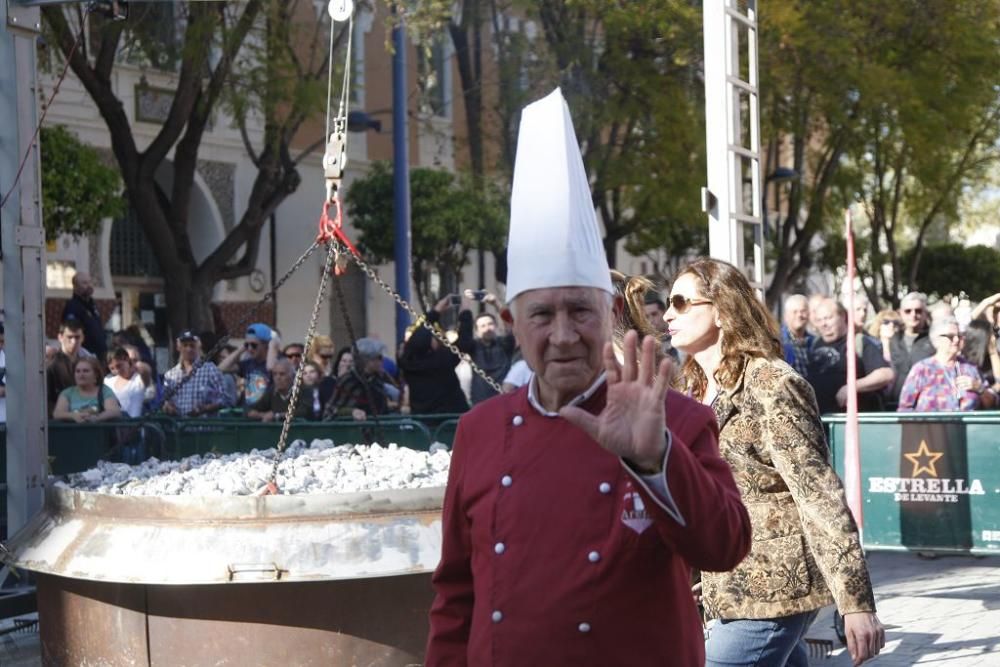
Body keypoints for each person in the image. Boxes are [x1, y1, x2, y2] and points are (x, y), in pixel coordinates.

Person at [426, 88, 751, 666]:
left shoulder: (675, 419)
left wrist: (655, 460)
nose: (563, 334)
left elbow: (725, 546)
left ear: (610, 315)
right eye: (542, 315)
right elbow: (456, 596)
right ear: (511, 324)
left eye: (580, 310)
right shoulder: (479, 431)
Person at [664, 258, 884, 667]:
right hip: (725, 582)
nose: (667, 314)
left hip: (778, 588)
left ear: (722, 309)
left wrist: (855, 602)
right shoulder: (689, 388)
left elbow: (818, 493)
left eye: (681, 302)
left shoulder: (773, 383)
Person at [807, 298, 894, 414]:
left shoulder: (859, 342)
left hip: (850, 421)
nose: (824, 324)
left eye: (828, 318)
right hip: (820, 421)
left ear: (843, 316)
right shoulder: (814, 344)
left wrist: (852, 387)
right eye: (819, 320)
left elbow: (886, 374)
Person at [897, 317, 996, 412]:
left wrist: (979, 388)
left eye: (959, 336)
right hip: (930, 428)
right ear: (937, 339)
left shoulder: (970, 369)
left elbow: (992, 404)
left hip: (970, 428)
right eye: (951, 336)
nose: (957, 340)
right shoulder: (922, 369)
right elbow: (904, 409)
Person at [399, 298, 470, 415]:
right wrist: (465, 313)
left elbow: (415, 339)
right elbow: (464, 342)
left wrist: (436, 311)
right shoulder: (443, 360)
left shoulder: (407, 362)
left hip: (423, 419)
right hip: (450, 418)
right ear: (430, 345)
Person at [456, 291, 516, 405]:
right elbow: (463, 337)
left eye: (490, 324)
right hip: (480, 401)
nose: (487, 328)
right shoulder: (473, 347)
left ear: (496, 326)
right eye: (482, 326)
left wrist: (496, 303)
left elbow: (511, 326)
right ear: (477, 331)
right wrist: (465, 306)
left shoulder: (504, 344)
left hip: (503, 399)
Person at [162, 331, 230, 417]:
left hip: (204, 426)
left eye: (192, 345)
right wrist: (168, 407)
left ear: (199, 346)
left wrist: (205, 408)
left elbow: (225, 399)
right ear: (178, 347)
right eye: (185, 345)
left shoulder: (211, 370)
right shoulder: (170, 375)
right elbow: (165, 401)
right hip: (179, 426)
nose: (189, 349)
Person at [886, 291, 935, 409]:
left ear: (925, 314)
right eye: (908, 311)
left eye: (918, 311)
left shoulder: (934, 339)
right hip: (895, 404)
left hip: (925, 405)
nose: (913, 315)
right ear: (901, 313)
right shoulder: (893, 339)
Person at [322, 338, 390, 421]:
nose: (382, 361)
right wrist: (351, 412)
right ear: (367, 360)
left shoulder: (378, 380)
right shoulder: (348, 380)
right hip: (351, 431)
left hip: (378, 430)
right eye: (378, 358)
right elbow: (330, 410)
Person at [218, 323, 278, 406]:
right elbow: (222, 368)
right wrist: (241, 349)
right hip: (247, 411)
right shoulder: (248, 363)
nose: (249, 349)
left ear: (266, 345)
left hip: (263, 412)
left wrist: (272, 345)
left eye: (254, 345)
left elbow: (270, 368)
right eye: (247, 345)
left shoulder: (276, 362)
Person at [52, 357, 122, 422]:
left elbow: (114, 411)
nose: (81, 374)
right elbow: (57, 414)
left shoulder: (105, 390)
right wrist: (73, 416)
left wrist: (97, 418)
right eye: (77, 371)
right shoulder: (67, 393)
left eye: (86, 371)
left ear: (96, 374)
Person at [46, 320, 93, 416]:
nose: (74, 341)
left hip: (87, 417)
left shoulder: (90, 363)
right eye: (70, 337)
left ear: (83, 338)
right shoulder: (51, 365)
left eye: (77, 337)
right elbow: (46, 399)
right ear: (60, 337)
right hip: (60, 421)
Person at [246, 358, 311, 422]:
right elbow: (249, 410)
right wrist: (262, 415)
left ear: (292, 376)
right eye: (275, 374)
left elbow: (303, 412)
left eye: (282, 374)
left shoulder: (304, 390)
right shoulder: (271, 392)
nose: (278, 378)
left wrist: (277, 416)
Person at [62, 271, 107, 361]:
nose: (89, 285)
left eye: (90, 282)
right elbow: (72, 331)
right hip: (84, 357)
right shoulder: (73, 307)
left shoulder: (92, 306)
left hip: (99, 356)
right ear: (75, 286)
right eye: (84, 283)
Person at [104, 347, 146, 418]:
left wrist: (134, 366)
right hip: (115, 425)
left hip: (136, 424)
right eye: (112, 368)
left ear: (127, 360)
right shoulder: (107, 381)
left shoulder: (139, 379)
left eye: (119, 366)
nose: (117, 371)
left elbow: (146, 370)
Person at [962, 319, 1000, 393]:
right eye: (991, 334)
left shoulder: (994, 353)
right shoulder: (965, 361)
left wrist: (993, 352)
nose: (994, 337)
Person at [781, 294, 814, 376]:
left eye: (803, 311)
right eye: (794, 312)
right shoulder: (778, 341)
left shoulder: (815, 342)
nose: (799, 315)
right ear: (786, 316)